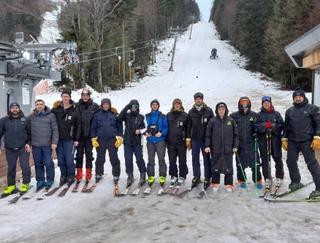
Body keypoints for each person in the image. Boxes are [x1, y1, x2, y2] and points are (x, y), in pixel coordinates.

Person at [282, 88, 320, 198]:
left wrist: (317, 137)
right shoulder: (290, 111)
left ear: (303, 97)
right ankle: (296, 182)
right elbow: (287, 127)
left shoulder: (313, 109)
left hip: (307, 141)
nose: (298, 98)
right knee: (290, 162)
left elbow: (318, 123)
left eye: (300, 96)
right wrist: (284, 138)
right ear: (293, 98)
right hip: (293, 141)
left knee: (312, 164)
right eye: (295, 97)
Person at [205, 102, 239, 192]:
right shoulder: (212, 121)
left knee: (228, 165)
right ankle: (215, 183)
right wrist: (207, 145)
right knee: (215, 165)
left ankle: (229, 184)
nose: (221, 111)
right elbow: (208, 135)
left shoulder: (230, 121)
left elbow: (236, 135)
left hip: (228, 148)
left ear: (225, 110)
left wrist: (235, 146)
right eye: (219, 109)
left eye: (223, 109)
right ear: (217, 110)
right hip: (216, 148)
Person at [0, 102, 31, 197]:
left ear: (19, 109)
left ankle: (25, 184)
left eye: (16, 107)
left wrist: (29, 144)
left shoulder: (25, 120)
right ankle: (11, 186)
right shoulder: (4, 120)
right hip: (10, 149)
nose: (14, 109)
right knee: (11, 168)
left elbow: (30, 133)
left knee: (25, 166)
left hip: (23, 148)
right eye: (12, 108)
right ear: (10, 109)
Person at [230, 97, 262, 189]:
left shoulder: (254, 115)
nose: (244, 105)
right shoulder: (234, 116)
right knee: (240, 164)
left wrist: (257, 131)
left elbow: (259, 126)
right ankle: (242, 180)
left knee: (255, 163)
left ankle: (257, 180)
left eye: (246, 103)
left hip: (252, 143)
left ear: (249, 104)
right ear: (239, 104)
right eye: (242, 103)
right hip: (239, 143)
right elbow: (230, 128)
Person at [91, 98, 123, 186]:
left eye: (107, 104)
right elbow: (93, 127)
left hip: (112, 139)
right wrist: (93, 138)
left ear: (109, 105)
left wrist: (120, 138)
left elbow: (120, 126)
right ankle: (99, 173)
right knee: (100, 158)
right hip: (100, 140)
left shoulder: (114, 114)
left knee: (114, 157)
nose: (106, 106)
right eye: (104, 104)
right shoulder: (97, 115)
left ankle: (116, 175)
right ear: (102, 105)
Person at [52, 89, 81, 186]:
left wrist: (76, 139)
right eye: (64, 96)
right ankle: (63, 175)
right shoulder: (56, 109)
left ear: (70, 97)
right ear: (61, 97)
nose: (65, 98)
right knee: (61, 160)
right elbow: (47, 114)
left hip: (70, 139)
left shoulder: (74, 110)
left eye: (67, 96)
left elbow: (78, 126)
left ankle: (71, 176)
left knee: (69, 159)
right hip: (59, 139)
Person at [256, 96, 284, 189]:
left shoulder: (276, 114)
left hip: (275, 140)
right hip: (263, 140)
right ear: (262, 104)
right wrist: (265, 126)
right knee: (265, 159)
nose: (266, 104)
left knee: (277, 158)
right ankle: (267, 178)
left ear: (270, 103)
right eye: (264, 102)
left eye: (268, 102)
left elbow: (282, 125)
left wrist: (273, 126)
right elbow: (256, 126)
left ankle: (279, 177)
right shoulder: (259, 115)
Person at [186, 92, 214, 189]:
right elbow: (188, 126)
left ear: (202, 99)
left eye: (200, 98)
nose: (198, 100)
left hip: (205, 140)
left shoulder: (209, 111)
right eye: (196, 98)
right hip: (195, 140)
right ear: (194, 100)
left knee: (206, 159)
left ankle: (207, 177)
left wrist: (210, 140)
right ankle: (196, 176)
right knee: (195, 159)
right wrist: (188, 138)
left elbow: (212, 127)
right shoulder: (191, 112)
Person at [30, 99, 59, 191]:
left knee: (48, 162)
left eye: (41, 104)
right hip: (35, 145)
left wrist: (54, 142)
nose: (39, 106)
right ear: (35, 106)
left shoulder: (51, 116)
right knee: (38, 164)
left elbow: (55, 130)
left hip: (47, 144)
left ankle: (50, 179)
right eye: (37, 104)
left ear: (44, 105)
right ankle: (40, 181)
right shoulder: (31, 116)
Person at [118, 99, 147, 187]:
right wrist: (127, 106)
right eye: (132, 106)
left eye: (136, 106)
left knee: (139, 158)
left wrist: (140, 131)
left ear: (138, 107)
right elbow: (119, 118)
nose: (134, 108)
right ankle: (130, 175)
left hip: (137, 142)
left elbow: (146, 127)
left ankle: (143, 174)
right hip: (127, 142)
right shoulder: (126, 115)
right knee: (128, 159)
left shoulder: (142, 115)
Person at [75, 88, 99, 183]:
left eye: (87, 95)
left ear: (89, 96)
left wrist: (113, 111)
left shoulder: (95, 106)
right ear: (81, 96)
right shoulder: (76, 105)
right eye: (83, 95)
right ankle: (79, 172)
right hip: (79, 135)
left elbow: (103, 112)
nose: (85, 97)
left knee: (89, 155)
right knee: (79, 155)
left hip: (90, 135)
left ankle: (89, 172)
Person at [145, 99, 168, 187]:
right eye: (153, 104)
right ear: (151, 106)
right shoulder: (147, 116)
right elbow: (143, 127)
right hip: (150, 141)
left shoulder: (163, 116)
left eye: (156, 105)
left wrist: (161, 133)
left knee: (161, 159)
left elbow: (166, 128)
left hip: (160, 141)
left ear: (158, 106)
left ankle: (162, 176)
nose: (154, 106)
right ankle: (151, 176)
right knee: (150, 160)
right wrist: (145, 133)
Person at [166, 98, 188, 187]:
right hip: (170, 142)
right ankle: (173, 175)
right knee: (172, 160)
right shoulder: (168, 115)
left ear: (181, 105)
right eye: (175, 104)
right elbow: (165, 127)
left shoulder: (185, 115)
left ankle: (182, 175)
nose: (177, 105)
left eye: (178, 104)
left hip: (181, 142)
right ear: (173, 105)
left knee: (182, 160)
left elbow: (188, 128)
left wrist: (188, 139)